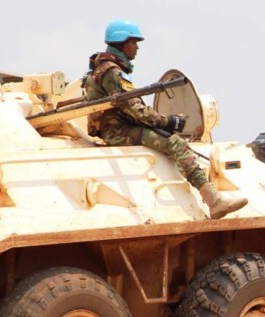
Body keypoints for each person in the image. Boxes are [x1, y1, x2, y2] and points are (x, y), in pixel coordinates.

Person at [82, 20, 247, 219]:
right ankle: (214, 201)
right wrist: (167, 121)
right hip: (117, 132)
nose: (137, 48)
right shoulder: (112, 72)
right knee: (176, 144)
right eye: (133, 42)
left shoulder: (101, 69)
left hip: (118, 127)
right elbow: (135, 110)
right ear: (121, 43)